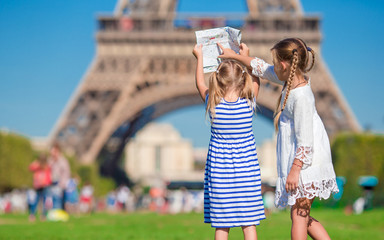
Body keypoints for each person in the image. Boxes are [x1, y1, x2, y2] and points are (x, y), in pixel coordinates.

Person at [218, 38, 339, 240]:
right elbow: (262, 69)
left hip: (307, 164)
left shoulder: (301, 97)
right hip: (305, 163)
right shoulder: (291, 80)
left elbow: (306, 141)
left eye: (275, 62)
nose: (272, 66)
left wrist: (295, 170)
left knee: (299, 217)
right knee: (303, 217)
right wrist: (238, 56)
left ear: (283, 64)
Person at [193, 43, 265, 240]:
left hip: (220, 174)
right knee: (249, 224)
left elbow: (200, 83)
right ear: (243, 81)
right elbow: (257, 81)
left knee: (222, 227)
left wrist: (200, 56)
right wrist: (246, 56)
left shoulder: (213, 104)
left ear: (218, 80)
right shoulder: (249, 103)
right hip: (247, 174)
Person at [28, 153, 52, 221]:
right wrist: (36, 162)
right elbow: (30, 167)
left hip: (45, 185)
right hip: (38, 186)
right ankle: (32, 214)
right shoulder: (37, 166)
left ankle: (43, 215)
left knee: (44, 200)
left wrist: (46, 183)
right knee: (36, 200)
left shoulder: (47, 167)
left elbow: (48, 177)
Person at [48, 143, 71, 210]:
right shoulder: (50, 161)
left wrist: (63, 184)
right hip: (51, 184)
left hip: (61, 184)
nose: (52, 154)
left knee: (59, 201)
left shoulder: (63, 161)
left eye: (53, 152)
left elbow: (66, 173)